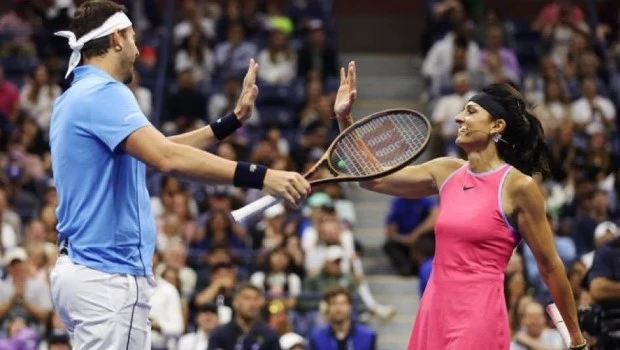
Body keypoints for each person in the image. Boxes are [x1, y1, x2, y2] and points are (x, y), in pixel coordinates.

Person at [48, 2, 310, 350]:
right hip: (107, 277)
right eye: (133, 38)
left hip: (84, 273)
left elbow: (156, 148)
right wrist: (262, 176)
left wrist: (229, 123)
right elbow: (167, 157)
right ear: (116, 39)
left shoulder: (74, 97)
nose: (138, 50)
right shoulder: (105, 93)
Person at [333, 61, 588, 349]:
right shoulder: (446, 171)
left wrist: (576, 337)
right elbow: (374, 180)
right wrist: (345, 119)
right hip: (435, 308)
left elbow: (550, 266)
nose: (458, 118)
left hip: (478, 313)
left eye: (470, 111)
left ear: (496, 126)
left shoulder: (519, 187)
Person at [207, 283, 281, 350]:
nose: (252, 304)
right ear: (235, 302)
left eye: (256, 299)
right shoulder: (221, 334)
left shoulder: (269, 334)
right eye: (247, 298)